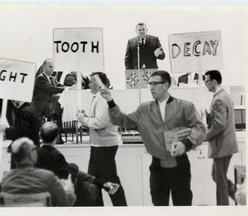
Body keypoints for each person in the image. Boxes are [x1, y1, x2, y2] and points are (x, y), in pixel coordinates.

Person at [99, 70, 206, 206]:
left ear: (166, 85)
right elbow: (122, 121)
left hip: (180, 166)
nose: (151, 87)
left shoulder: (186, 107)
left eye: (155, 84)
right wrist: (110, 101)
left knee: (183, 206)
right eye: (149, 84)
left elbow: (200, 128)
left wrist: (186, 143)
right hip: (157, 169)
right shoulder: (144, 110)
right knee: (159, 206)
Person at [35, 121, 119, 206]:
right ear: (57, 138)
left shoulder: (34, 154)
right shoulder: (56, 156)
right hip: (58, 192)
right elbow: (69, 174)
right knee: (92, 189)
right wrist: (73, 167)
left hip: (40, 189)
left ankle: (103, 183)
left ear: (40, 136)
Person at [77, 72, 127, 206]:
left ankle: (122, 210)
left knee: (110, 182)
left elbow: (100, 122)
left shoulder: (103, 99)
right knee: (92, 183)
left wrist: (84, 119)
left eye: (92, 81)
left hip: (104, 147)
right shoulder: (97, 98)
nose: (88, 83)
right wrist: (86, 117)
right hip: (99, 145)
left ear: (100, 83)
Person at [0, 137, 76, 206]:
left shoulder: (6, 179)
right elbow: (66, 203)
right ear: (32, 154)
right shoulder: (47, 177)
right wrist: (69, 190)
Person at [204, 70, 238, 205]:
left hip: (222, 146)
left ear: (214, 81)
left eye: (206, 81)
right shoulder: (224, 95)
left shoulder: (218, 99)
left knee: (220, 181)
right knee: (217, 177)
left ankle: (223, 210)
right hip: (226, 144)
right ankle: (240, 196)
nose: (205, 84)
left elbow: (220, 124)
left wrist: (205, 136)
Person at [32, 59, 65, 144]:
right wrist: (65, 89)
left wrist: (68, 88)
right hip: (40, 105)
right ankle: (57, 135)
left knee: (57, 106)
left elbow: (59, 86)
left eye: (53, 67)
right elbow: (51, 89)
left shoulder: (51, 78)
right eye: (50, 67)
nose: (52, 69)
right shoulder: (40, 78)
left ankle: (56, 134)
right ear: (43, 67)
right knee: (56, 108)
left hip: (48, 104)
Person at [0, 100, 40, 169]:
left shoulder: (24, 112)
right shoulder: (29, 108)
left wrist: (6, 130)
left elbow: (23, 134)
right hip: (31, 150)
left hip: (24, 152)